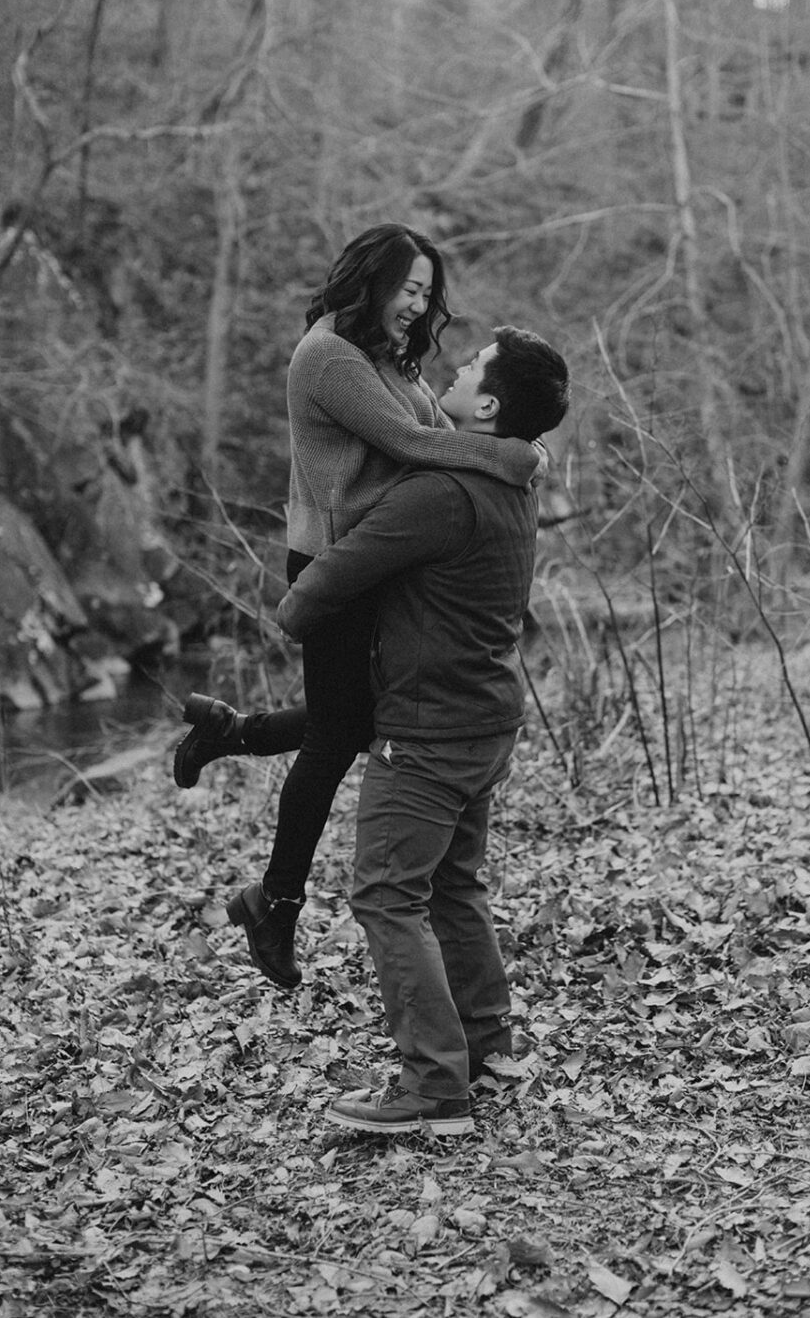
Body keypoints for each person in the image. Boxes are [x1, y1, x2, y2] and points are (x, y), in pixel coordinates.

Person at [174, 225, 542, 990]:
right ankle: (276, 902)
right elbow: (413, 444)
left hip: (380, 557)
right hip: (336, 561)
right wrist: (513, 454)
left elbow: (435, 432)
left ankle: (233, 733)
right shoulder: (330, 357)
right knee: (340, 733)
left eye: (426, 293)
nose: (418, 305)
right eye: (408, 288)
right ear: (371, 281)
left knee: (364, 713)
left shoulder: (384, 355)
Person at [276, 327, 570, 1135]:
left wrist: (292, 613)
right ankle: (488, 1045)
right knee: (452, 885)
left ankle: (435, 1085)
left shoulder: (441, 493)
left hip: (429, 730)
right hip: (485, 719)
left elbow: (341, 568)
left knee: (386, 894)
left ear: (488, 406)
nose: (457, 366)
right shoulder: (513, 477)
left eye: (472, 366)